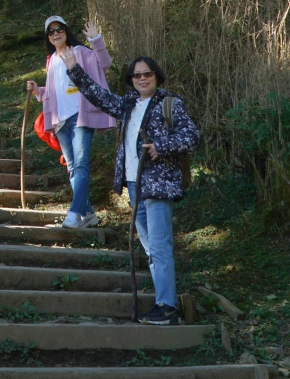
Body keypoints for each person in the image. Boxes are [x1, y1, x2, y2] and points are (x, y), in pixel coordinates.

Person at [56, 46, 200, 326]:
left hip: (158, 186)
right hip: (135, 186)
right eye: (136, 75)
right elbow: (97, 95)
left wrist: (162, 145)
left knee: (159, 246)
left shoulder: (170, 103)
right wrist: (74, 69)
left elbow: (192, 136)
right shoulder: (128, 104)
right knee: (149, 247)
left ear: (157, 76)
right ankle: (163, 302)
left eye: (147, 74)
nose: (142, 79)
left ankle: (168, 308)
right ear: (130, 79)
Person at [27, 17, 117, 229]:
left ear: (66, 30)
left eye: (59, 29)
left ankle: (74, 213)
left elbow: (105, 64)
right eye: (51, 31)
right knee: (73, 168)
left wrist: (96, 39)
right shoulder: (51, 60)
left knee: (81, 164)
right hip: (60, 121)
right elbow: (52, 92)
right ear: (47, 37)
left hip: (81, 117)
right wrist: (37, 91)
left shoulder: (81, 52)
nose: (56, 33)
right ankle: (90, 215)